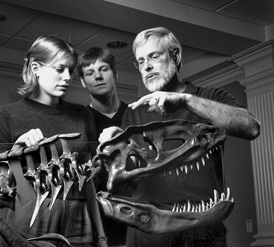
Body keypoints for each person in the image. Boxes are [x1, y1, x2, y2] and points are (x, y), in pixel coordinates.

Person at [100, 27, 260, 247]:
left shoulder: (210, 97)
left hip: (202, 233)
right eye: (140, 61)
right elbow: (129, 173)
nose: (146, 66)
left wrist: (186, 100)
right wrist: (116, 142)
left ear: (175, 56)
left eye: (154, 56)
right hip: (146, 235)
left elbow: (251, 127)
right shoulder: (133, 112)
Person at [0, 35, 104, 247]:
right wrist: (16, 152)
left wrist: (101, 235)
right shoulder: (7, 115)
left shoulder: (84, 116)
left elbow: (91, 183)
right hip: (30, 220)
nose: (67, 77)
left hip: (80, 220)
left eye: (70, 69)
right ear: (35, 67)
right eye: (60, 69)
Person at [77, 47, 128, 246]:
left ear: (115, 73)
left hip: (135, 221)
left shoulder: (136, 115)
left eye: (103, 69)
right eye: (90, 73)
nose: (98, 76)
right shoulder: (77, 122)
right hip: (96, 226)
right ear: (82, 81)